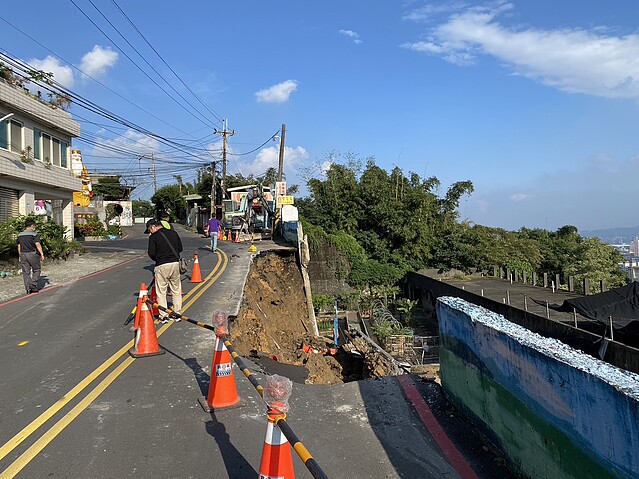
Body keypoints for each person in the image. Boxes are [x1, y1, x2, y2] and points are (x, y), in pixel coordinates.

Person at [145, 219, 183, 322]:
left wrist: (158, 258)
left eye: (149, 230)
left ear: (153, 227)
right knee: (176, 290)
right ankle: (177, 313)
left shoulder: (154, 237)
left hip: (161, 265)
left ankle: (164, 315)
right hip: (175, 264)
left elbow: (151, 253)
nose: (150, 232)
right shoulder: (173, 233)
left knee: (161, 291)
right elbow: (180, 248)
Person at [17, 218, 45, 294]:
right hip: (32, 254)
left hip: (23, 254)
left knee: (26, 272)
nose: (34, 227)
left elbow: (19, 246)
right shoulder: (34, 234)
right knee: (36, 269)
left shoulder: (20, 235)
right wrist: (42, 253)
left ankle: (27, 287)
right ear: (32, 225)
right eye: (34, 226)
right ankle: (33, 284)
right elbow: (37, 244)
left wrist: (20, 255)